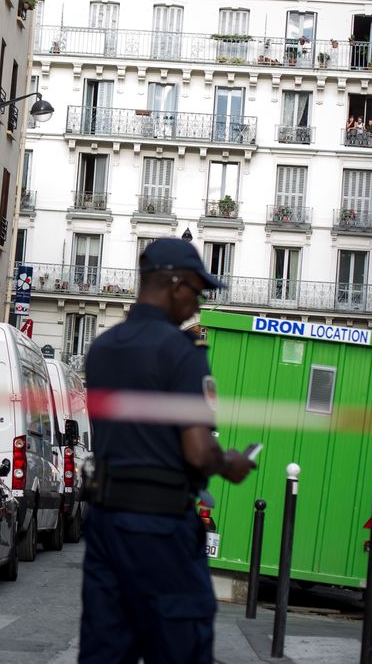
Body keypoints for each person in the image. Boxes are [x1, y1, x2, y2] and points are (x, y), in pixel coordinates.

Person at [78, 238, 256, 664]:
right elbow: (197, 450)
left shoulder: (103, 349)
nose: (197, 304)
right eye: (195, 291)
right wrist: (228, 463)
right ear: (175, 283)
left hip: (105, 521)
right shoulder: (183, 352)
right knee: (181, 648)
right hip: (161, 526)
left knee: (106, 649)